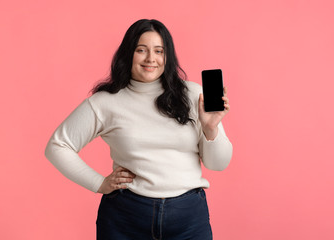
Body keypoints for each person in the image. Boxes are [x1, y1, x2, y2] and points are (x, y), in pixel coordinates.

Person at [45, 19, 232, 240]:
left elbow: (218, 164)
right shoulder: (106, 102)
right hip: (126, 218)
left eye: (159, 51)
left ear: (167, 56)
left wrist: (211, 128)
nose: (150, 59)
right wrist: (98, 183)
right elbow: (57, 146)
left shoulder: (192, 94)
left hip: (189, 219)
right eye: (141, 50)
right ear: (128, 53)